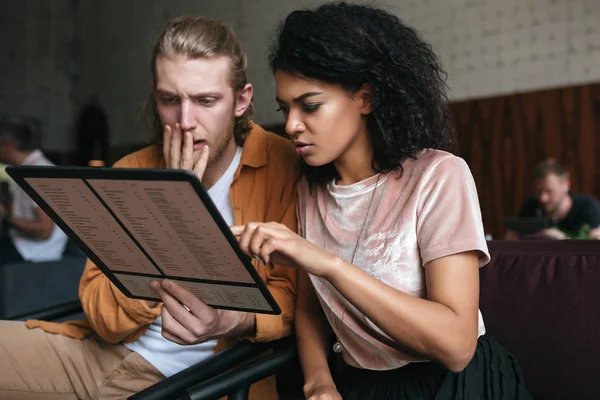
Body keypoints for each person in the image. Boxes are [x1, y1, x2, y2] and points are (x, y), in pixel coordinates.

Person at [231, 3, 533, 399]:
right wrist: (319, 381)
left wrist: (328, 265)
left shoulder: (438, 176)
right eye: (285, 109)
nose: (291, 125)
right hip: (359, 385)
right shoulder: (311, 191)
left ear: (366, 98)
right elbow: (310, 309)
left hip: (452, 384)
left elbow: (457, 347)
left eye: (310, 105)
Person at [0, 16, 298, 400]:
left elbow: (297, 301)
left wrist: (231, 319)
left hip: (204, 379)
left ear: (241, 101)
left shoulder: (282, 165)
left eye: (206, 101)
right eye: (170, 100)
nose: (186, 122)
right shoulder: (132, 170)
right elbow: (103, 315)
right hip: (105, 355)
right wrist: (174, 203)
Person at [0, 122, 67, 264]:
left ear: (6, 145)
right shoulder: (22, 170)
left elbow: (44, 230)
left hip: (33, 252)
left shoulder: (39, 173)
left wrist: (7, 218)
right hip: (18, 242)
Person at [505, 159, 600, 240]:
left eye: (549, 191)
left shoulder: (588, 207)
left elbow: (593, 248)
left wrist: (562, 239)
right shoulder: (530, 207)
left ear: (566, 186)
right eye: (539, 192)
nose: (543, 198)